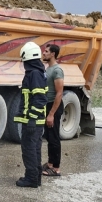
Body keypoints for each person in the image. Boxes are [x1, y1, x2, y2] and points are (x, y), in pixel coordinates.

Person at [14, 42, 48, 188]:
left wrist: (32, 119)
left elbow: (40, 99)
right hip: (34, 120)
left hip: (32, 120)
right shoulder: (37, 73)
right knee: (34, 149)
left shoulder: (34, 74)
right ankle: (36, 177)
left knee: (29, 150)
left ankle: (31, 179)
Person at [42, 44, 64, 177]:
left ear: (53, 54)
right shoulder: (48, 69)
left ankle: (56, 168)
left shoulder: (57, 70)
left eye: (46, 51)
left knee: (54, 138)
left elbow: (59, 93)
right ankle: (50, 164)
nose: (43, 53)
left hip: (53, 107)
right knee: (49, 137)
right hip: (47, 105)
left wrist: (51, 114)